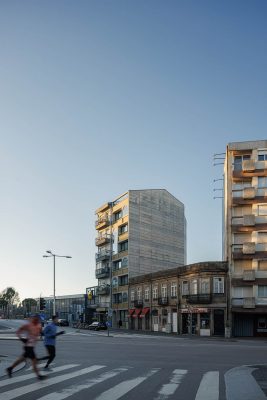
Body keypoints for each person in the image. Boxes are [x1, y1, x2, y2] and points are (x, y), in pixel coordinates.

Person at [6, 315, 46, 380]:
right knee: (34, 361)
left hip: (31, 346)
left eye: (38, 319)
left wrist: (42, 333)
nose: (37, 320)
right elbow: (18, 332)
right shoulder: (28, 325)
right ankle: (39, 376)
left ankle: (10, 368)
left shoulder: (39, 326)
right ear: (33, 319)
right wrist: (22, 339)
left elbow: (41, 332)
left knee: (23, 359)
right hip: (28, 346)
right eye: (35, 319)